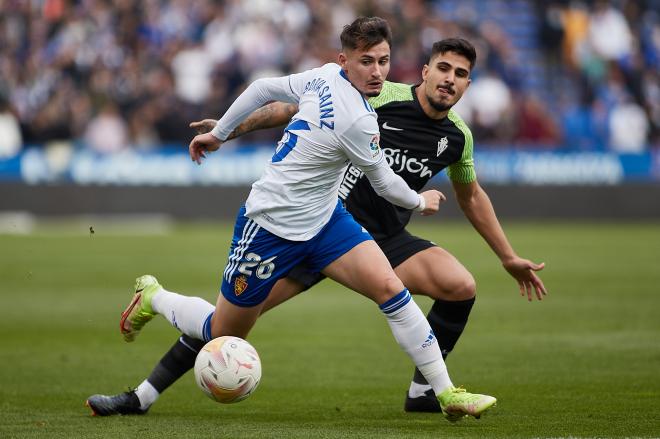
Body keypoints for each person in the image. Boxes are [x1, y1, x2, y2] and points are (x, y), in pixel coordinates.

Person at [86, 19, 496, 421]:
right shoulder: (360, 120)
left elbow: (263, 88)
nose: (377, 72)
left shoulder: (323, 77)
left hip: (327, 220)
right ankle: (154, 297)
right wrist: (421, 203)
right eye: (367, 62)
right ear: (345, 61)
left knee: (391, 289)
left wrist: (223, 131)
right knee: (221, 331)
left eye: (384, 62)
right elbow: (387, 184)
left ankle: (445, 393)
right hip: (269, 226)